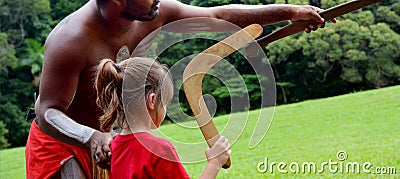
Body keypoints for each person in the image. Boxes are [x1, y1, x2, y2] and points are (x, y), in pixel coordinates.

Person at [26, 0, 334, 178]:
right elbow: (47, 110)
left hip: (115, 147)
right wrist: (90, 137)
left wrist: (289, 11)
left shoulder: (155, 11)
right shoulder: (70, 40)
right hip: (61, 149)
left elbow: (218, 17)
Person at [95, 57, 230, 178]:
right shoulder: (159, 150)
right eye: (164, 103)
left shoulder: (111, 148)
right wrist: (215, 162)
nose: (164, 109)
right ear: (152, 100)